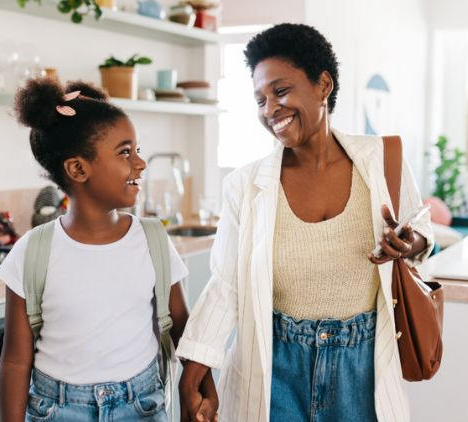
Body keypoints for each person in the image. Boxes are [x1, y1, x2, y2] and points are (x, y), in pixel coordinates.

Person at [177, 23, 434, 421]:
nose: (270, 109)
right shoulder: (244, 186)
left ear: (323, 85)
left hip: (361, 369)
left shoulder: (382, 160)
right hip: (276, 368)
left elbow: (421, 230)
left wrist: (410, 242)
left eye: (280, 91)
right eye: (260, 100)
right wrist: (195, 365)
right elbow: (226, 283)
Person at [0, 78, 217, 421]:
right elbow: (14, 360)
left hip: (141, 407)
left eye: (138, 150)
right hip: (57, 411)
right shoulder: (32, 251)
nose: (140, 163)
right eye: (125, 152)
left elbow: (181, 328)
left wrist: (204, 387)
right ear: (78, 168)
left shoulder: (153, 239)